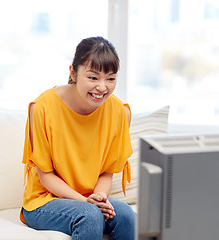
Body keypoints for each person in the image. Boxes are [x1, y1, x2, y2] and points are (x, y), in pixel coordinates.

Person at [20, 36, 136, 240]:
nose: (102, 87)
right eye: (93, 78)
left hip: (90, 199)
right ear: (73, 72)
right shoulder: (43, 107)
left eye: (110, 78)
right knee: (90, 216)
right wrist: (86, 203)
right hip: (44, 202)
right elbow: (46, 176)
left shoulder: (119, 112)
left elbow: (107, 172)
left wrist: (99, 197)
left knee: (127, 216)